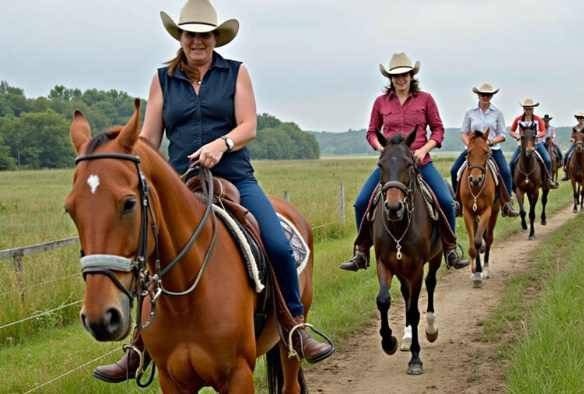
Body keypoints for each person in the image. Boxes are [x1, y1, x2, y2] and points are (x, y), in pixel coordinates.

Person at [93, 0, 333, 383]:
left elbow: (248, 125)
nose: (197, 41)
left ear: (214, 38)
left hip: (235, 176)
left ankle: (293, 326)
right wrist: (128, 162)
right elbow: (150, 137)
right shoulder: (162, 79)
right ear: (181, 38)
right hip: (179, 183)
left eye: (204, 35)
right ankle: (138, 346)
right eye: (190, 34)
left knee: (276, 242)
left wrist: (221, 145)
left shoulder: (235, 73)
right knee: (146, 252)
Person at [339, 52, 468, 271]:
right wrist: (382, 149)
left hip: (420, 162)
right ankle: (361, 252)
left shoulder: (425, 99)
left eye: (405, 75)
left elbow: (438, 130)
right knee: (361, 202)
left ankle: (450, 249)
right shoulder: (381, 102)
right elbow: (371, 131)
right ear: (390, 78)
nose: (401, 80)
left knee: (446, 201)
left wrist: (423, 149)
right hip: (390, 166)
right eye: (396, 76)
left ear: (411, 75)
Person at [449, 82, 517, 217]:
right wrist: (469, 145)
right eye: (482, 94)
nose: (485, 97)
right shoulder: (470, 112)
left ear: (491, 96)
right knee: (454, 170)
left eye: (488, 95)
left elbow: (502, 134)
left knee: (506, 172)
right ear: (478, 95)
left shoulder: (497, 113)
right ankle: (458, 204)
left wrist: (491, 141)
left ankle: (507, 204)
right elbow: (463, 132)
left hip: (492, 149)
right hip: (473, 150)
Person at [508, 98, 558, 189]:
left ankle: (548, 179)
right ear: (523, 109)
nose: (528, 110)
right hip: (522, 145)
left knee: (547, 160)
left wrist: (537, 135)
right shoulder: (518, 119)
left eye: (530, 108)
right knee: (511, 162)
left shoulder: (538, 119)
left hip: (537, 144)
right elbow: (511, 131)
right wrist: (516, 135)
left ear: (533, 109)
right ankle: (511, 183)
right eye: (526, 108)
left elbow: (543, 131)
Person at [561, 112, 584, 181]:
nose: (580, 119)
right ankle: (566, 171)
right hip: (576, 144)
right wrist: (572, 140)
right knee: (567, 154)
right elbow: (572, 137)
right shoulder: (574, 128)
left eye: (581, 118)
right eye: (578, 118)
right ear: (577, 119)